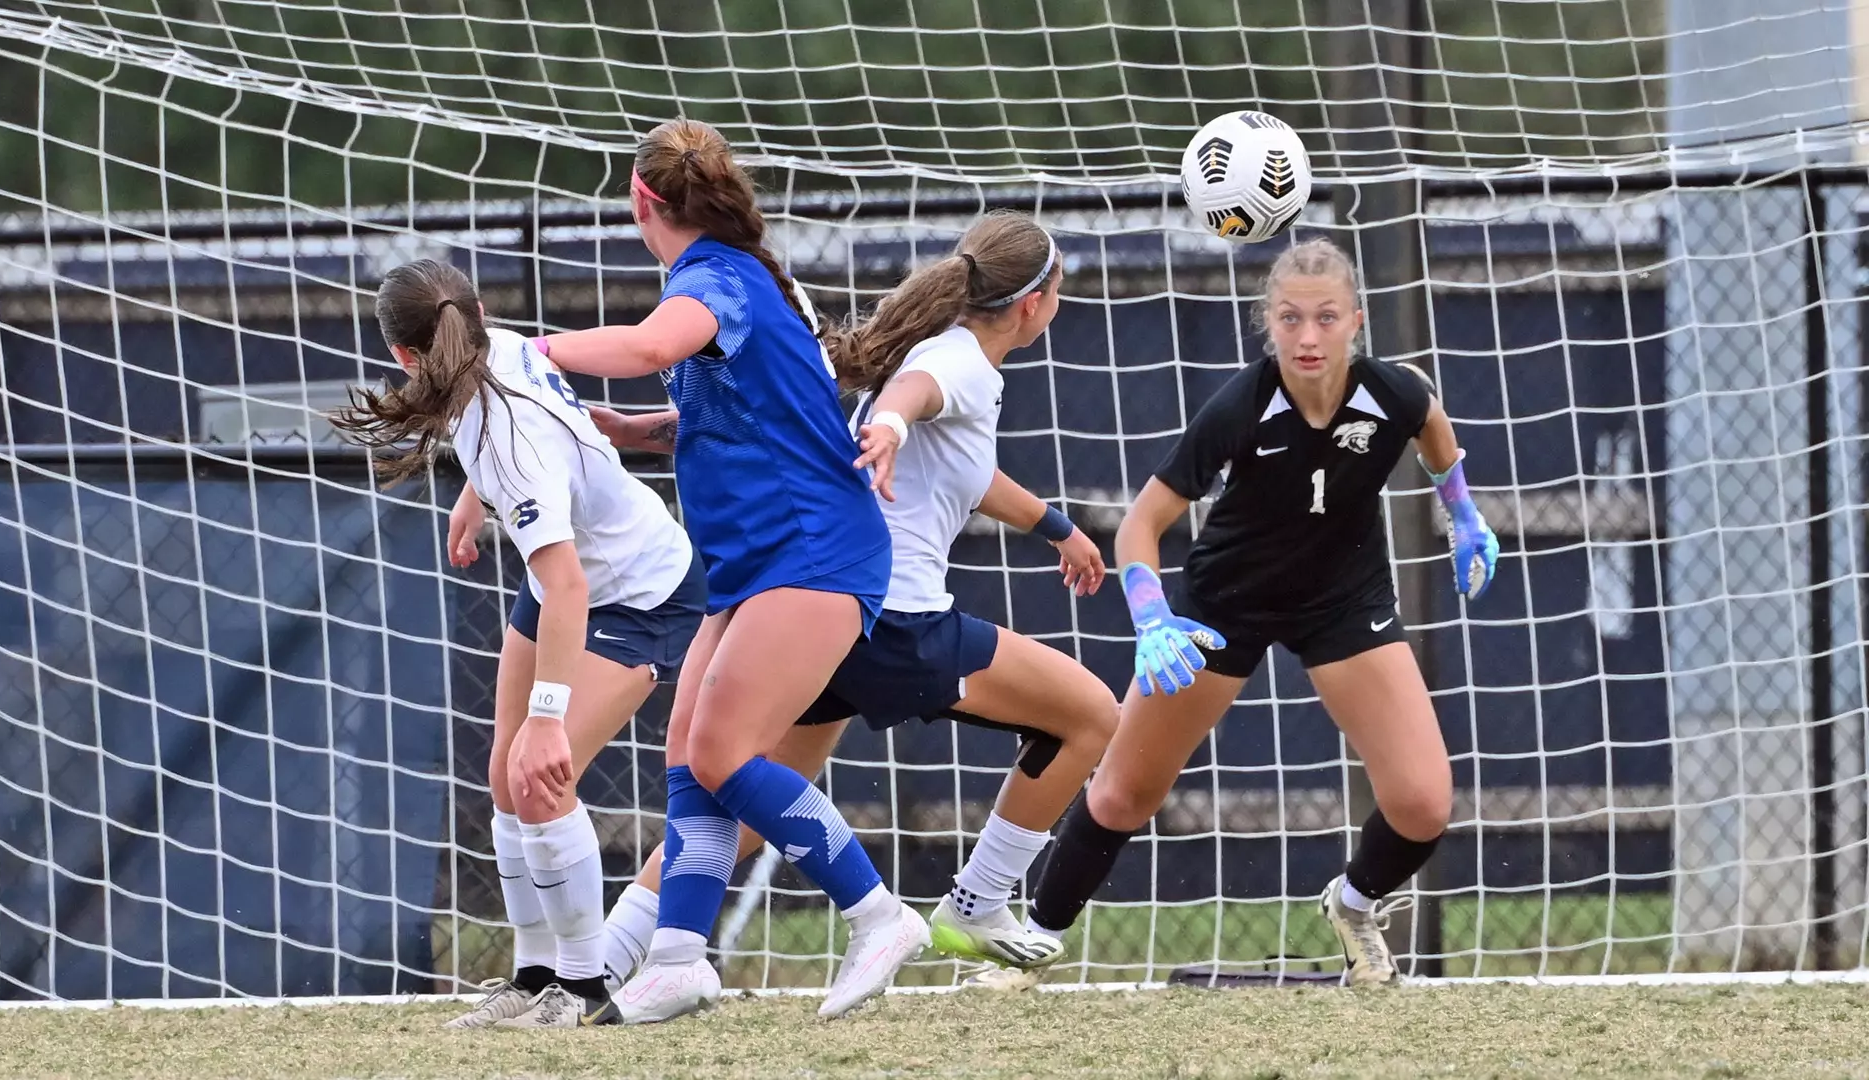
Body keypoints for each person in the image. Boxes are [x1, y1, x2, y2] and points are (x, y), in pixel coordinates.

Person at [590, 211, 1120, 986]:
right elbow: (915, 395)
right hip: (893, 619)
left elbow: (968, 472)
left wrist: (1057, 526)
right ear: (1034, 305)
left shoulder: (946, 355)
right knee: (1092, 715)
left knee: (743, 790)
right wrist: (897, 423)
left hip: (825, 605)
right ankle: (975, 902)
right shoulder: (955, 363)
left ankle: (607, 958)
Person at [972, 236, 1499, 990]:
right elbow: (1138, 527)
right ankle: (1031, 946)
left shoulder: (1396, 392)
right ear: (1268, 325)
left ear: (1357, 319)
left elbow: (1436, 438)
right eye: (1289, 318)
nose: (1308, 336)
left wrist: (1464, 516)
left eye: (1325, 317)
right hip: (1225, 605)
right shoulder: (1242, 406)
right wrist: (1153, 618)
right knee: (1124, 792)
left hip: (1344, 601)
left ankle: (1353, 908)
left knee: (1422, 804)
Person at [529, 117, 925, 1023]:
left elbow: (648, 349)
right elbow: (741, 413)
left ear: (641, 200)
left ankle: (877, 913)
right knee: (688, 758)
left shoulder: (714, 281)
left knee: (721, 752)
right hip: (759, 560)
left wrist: (532, 351)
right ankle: (677, 956)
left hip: (816, 552)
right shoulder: (725, 281)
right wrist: (637, 432)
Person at [331, 259, 707, 1028]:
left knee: (540, 774)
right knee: (509, 779)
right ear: (470, 313)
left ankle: (584, 986)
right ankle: (535, 977)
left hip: (638, 594)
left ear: (405, 355)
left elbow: (567, 579)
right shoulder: (495, 348)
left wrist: (546, 715)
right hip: (565, 584)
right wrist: (474, 500)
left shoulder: (502, 435)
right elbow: (530, 448)